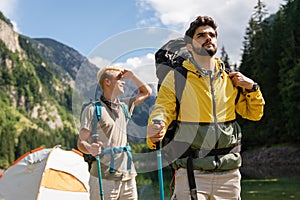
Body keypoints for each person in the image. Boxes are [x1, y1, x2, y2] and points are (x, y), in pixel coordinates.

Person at [147, 16, 265, 200]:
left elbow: (254, 114)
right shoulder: (176, 78)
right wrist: (157, 124)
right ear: (189, 46)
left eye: (212, 34)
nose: (208, 38)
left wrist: (253, 88)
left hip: (229, 175)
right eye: (201, 35)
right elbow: (163, 107)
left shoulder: (231, 79)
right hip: (191, 173)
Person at [78, 66, 152, 200]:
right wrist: (89, 148)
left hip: (128, 176)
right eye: (119, 78)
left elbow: (147, 92)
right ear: (107, 82)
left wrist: (133, 76)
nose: (123, 82)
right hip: (104, 177)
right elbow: (81, 142)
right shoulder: (92, 109)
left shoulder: (125, 105)